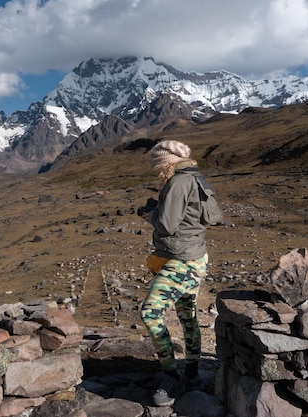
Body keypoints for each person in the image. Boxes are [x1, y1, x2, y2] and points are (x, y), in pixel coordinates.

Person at [138, 140, 221, 407]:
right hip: (198, 257)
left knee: (150, 313)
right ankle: (193, 374)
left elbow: (165, 225)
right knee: (187, 315)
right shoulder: (197, 178)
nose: (157, 169)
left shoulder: (176, 182)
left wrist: (149, 213)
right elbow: (210, 217)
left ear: (166, 162)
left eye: (158, 164)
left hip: (181, 260)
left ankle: (171, 376)